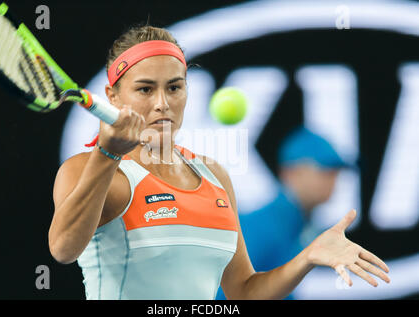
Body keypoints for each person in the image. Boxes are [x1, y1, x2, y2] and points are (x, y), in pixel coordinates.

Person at [48, 25, 390, 300]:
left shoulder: (215, 177)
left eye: (174, 87)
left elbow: (244, 291)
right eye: (145, 90)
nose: (162, 103)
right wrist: (107, 153)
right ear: (113, 96)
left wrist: (308, 256)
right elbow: (63, 249)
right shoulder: (83, 168)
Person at [216, 127, 350, 300]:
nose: (333, 179)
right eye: (324, 169)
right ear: (292, 173)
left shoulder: (302, 226)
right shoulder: (261, 228)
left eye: (335, 172)